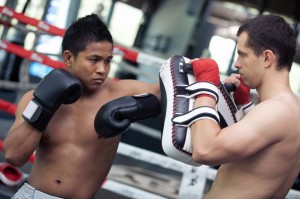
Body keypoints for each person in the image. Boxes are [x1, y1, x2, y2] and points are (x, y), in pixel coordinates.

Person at [3, 14, 160, 199]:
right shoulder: (34, 98)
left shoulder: (121, 93)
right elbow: (14, 156)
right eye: (94, 59)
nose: (102, 69)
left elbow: (168, 93)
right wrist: (44, 106)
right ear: (69, 58)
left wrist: (195, 69)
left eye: (108, 60)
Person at [188, 14, 300, 198]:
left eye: (242, 54)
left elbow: (205, 150)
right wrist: (242, 106)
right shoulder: (292, 109)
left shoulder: (276, 111)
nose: (236, 64)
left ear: (267, 58)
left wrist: (206, 87)